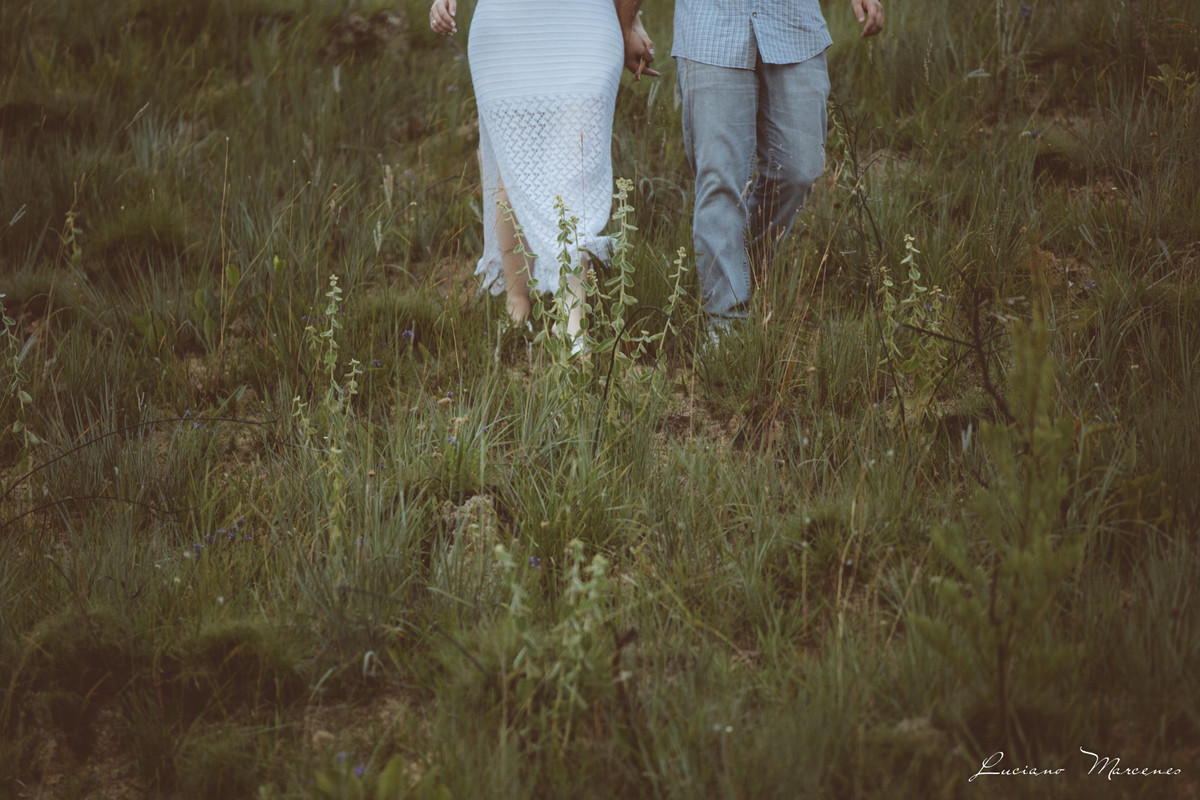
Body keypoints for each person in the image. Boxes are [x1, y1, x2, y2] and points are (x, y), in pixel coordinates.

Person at [429, 0, 656, 347]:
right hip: (506, 30)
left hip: (585, 26)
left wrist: (629, 24)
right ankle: (517, 301)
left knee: (575, 169)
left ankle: (572, 311)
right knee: (513, 167)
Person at [673, 0, 884, 333]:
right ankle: (725, 324)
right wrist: (629, 23)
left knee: (799, 170)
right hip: (711, 27)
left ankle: (741, 268)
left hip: (792, 24)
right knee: (720, 180)